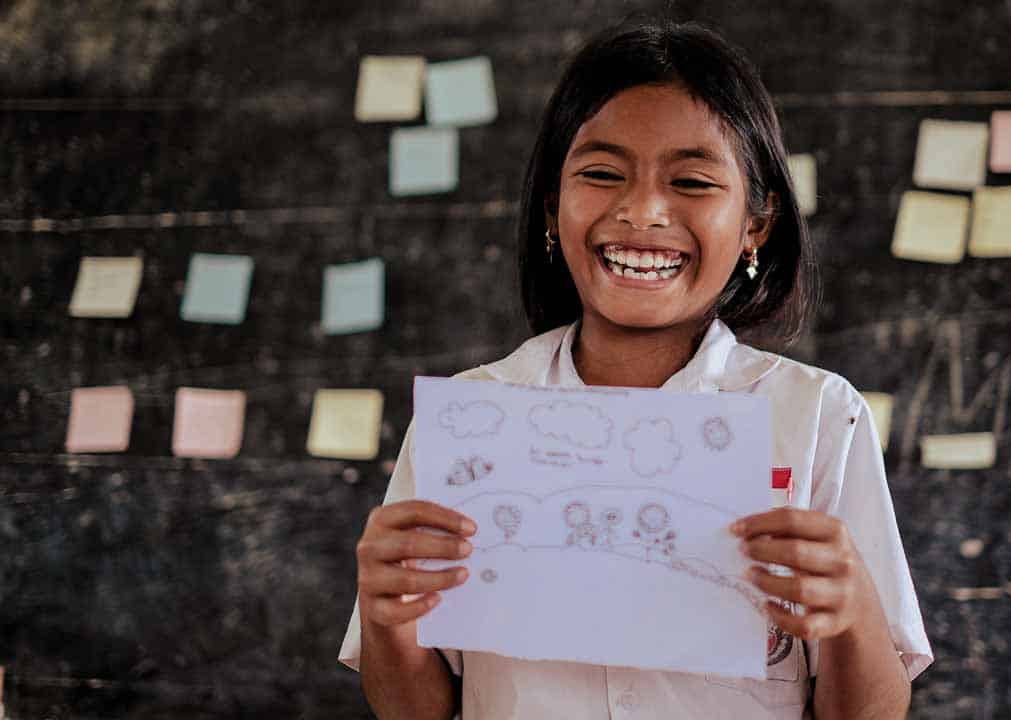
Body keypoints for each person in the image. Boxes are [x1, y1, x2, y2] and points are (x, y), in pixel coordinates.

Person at [339, 19, 932, 719]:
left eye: (691, 180)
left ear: (756, 225)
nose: (643, 210)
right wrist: (389, 618)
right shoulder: (471, 422)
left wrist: (853, 607)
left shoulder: (814, 419)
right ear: (552, 211)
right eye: (600, 173)